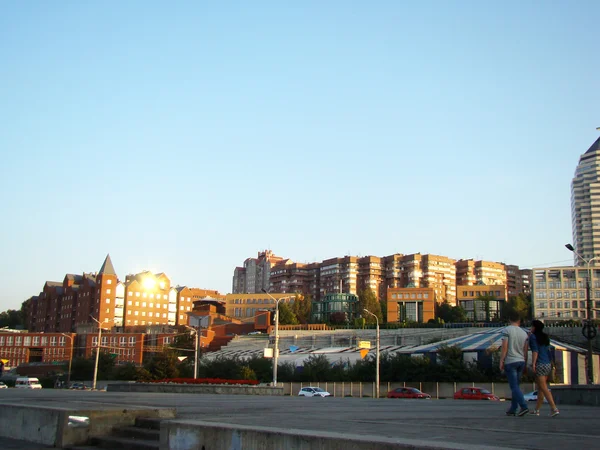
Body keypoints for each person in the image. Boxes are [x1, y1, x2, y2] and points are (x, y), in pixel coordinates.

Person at [500, 311, 530, 416]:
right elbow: (526, 350)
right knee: (516, 386)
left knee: (514, 386)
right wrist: (525, 363)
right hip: (521, 361)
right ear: (519, 321)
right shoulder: (524, 333)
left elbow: (505, 347)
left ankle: (524, 406)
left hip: (511, 361)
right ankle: (513, 408)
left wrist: (501, 361)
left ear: (509, 320)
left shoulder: (507, 330)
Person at [529, 320, 560, 417]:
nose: (530, 328)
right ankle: (536, 410)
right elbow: (547, 350)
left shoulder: (533, 337)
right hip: (547, 364)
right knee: (541, 388)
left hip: (540, 364)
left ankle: (554, 408)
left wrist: (533, 364)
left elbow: (535, 351)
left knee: (544, 388)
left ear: (534, 327)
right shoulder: (545, 337)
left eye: (532, 326)